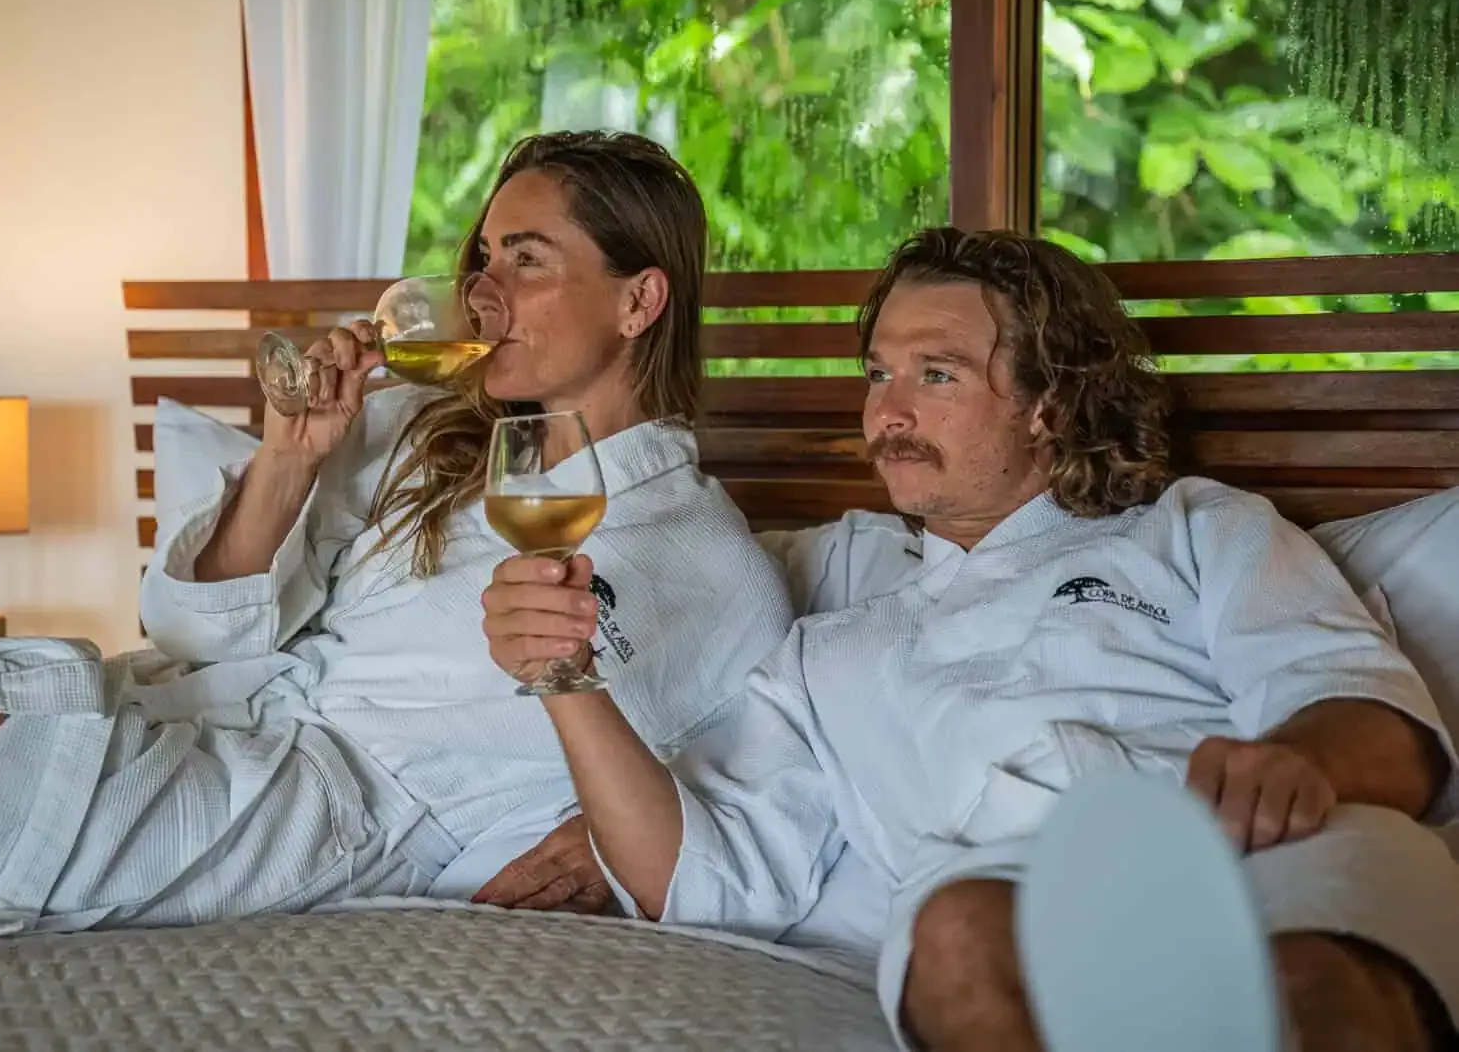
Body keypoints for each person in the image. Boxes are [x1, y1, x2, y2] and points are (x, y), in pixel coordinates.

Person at [0, 130, 792, 937]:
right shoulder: (417, 430)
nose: (481, 292)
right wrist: (291, 454)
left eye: (526, 260)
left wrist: (610, 848)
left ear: (640, 297)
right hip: (200, 721)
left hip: (312, 811)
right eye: (481, 258)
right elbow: (198, 638)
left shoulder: (708, 558)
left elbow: (765, 781)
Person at [479, 227, 1459, 1051]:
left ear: (1050, 402)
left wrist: (1294, 762)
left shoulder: (1197, 527)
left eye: (935, 373)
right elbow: (706, 876)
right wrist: (566, 672)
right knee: (954, 928)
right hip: (1007, 872)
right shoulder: (830, 651)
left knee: (1315, 981)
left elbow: (1361, 698)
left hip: (1251, 839)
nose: (887, 410)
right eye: (877, 373)